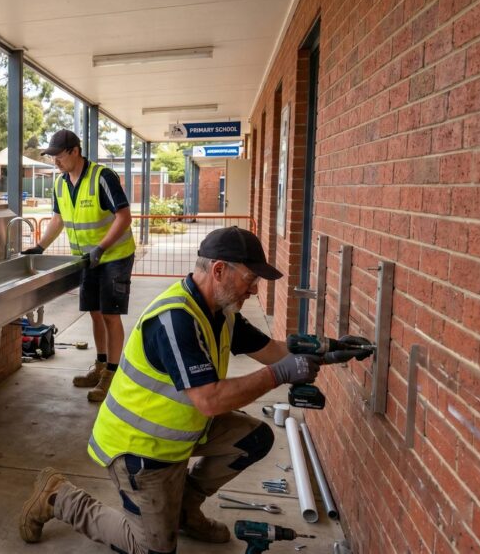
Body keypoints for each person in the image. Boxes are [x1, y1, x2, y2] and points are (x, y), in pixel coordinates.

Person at [19, 227, 370, 553]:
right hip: (141, 451)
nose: (254, 289)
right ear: (219, 270)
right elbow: (209, 400)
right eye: (250, 279)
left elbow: (271, 350)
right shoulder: (176, 320)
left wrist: (327, 350)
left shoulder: (221, 311)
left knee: (255, 438)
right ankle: (58, 497)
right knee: (152, 549)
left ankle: (184, 511)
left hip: (181, 435)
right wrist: (280, 375)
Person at [24, 129, 135, 402]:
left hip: (114, 256)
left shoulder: (102, 177)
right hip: (86, 259)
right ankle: (99, 365)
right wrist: (40, 247)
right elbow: (58, 219)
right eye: (52, 157)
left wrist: (101, 248)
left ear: (75, 151)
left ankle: (112, 372)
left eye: (59, 156)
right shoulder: (61, 184)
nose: (55, 162)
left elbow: (124, 217)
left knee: (110, 315)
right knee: (95, 313)